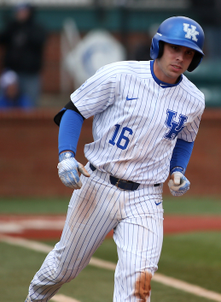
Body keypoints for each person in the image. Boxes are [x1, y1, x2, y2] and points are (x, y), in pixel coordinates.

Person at [25, 16, 205, 302]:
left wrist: (178, 170)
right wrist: (66, 156)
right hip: (97, 186)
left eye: (188, 53)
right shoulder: (119, 75)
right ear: (158, 46)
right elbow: (74, 110)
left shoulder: (194, 99)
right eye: (175, 49)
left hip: (146, 197)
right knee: (63, 269)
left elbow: (185, 138)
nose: (180, 57)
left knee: (139, 279)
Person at [0, 2, 46, 107]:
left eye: (23, 11)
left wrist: (25, 29)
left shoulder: (36, 28)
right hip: (12, 73)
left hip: (30, 74)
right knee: (5, 104)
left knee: (30, 106)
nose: (20, 14)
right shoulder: (12, 27)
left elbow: (40, 41)